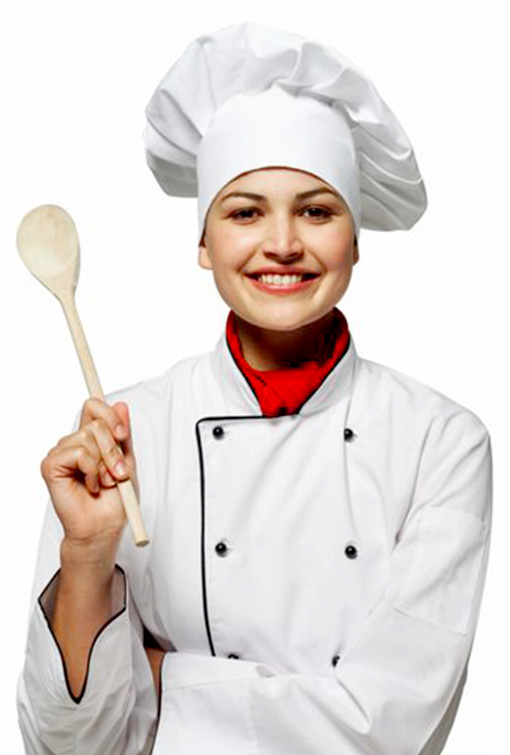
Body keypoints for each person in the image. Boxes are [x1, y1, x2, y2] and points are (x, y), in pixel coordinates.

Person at [17, 21, 492, 755]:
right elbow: (67, 746)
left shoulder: (441, 441)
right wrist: (88, 550)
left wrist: (162, 681)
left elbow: (385, 728)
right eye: (245, 212)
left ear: (355, 240)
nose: (282, 244)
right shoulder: (127, 434)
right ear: (204, 244)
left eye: (316, 210)